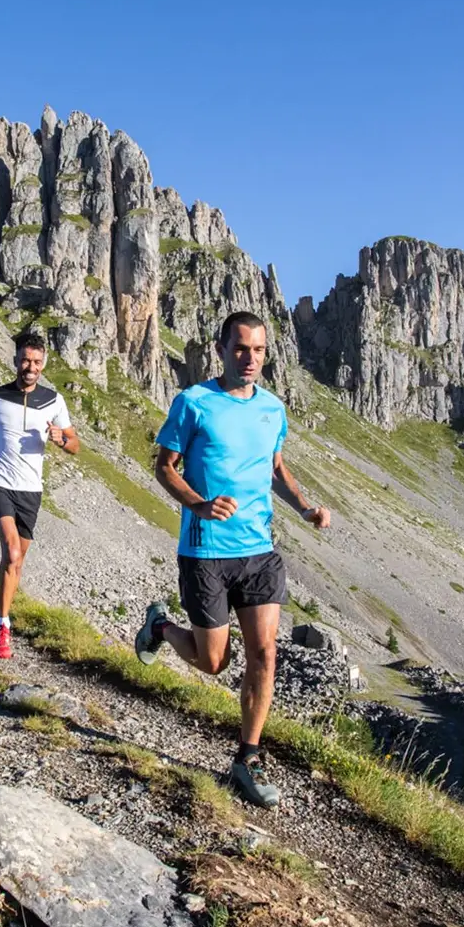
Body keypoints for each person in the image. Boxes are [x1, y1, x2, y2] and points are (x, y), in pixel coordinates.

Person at [134, 312, 331, 807]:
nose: (250, 359)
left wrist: (305, 506)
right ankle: (159, 629)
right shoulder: (194, 403)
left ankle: (247, 757)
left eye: (259, 350)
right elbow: (163, 466)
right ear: (220, 348)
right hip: (205, 552)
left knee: (265, 654)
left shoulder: (273, 409)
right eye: (241, 348)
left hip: (259, 553)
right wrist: (198, 503)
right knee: (214, 662)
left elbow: (276, 467)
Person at [0, 331, 80, 659]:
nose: (31, 367)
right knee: (12, 553)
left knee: (16, 560)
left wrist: (60, 439)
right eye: (26, 360)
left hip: (32, 491)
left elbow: (75, 445)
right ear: (15, 360)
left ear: (43, 365)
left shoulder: (54, 401)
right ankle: (3, 625)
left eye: (37, 362)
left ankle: (0, 613)